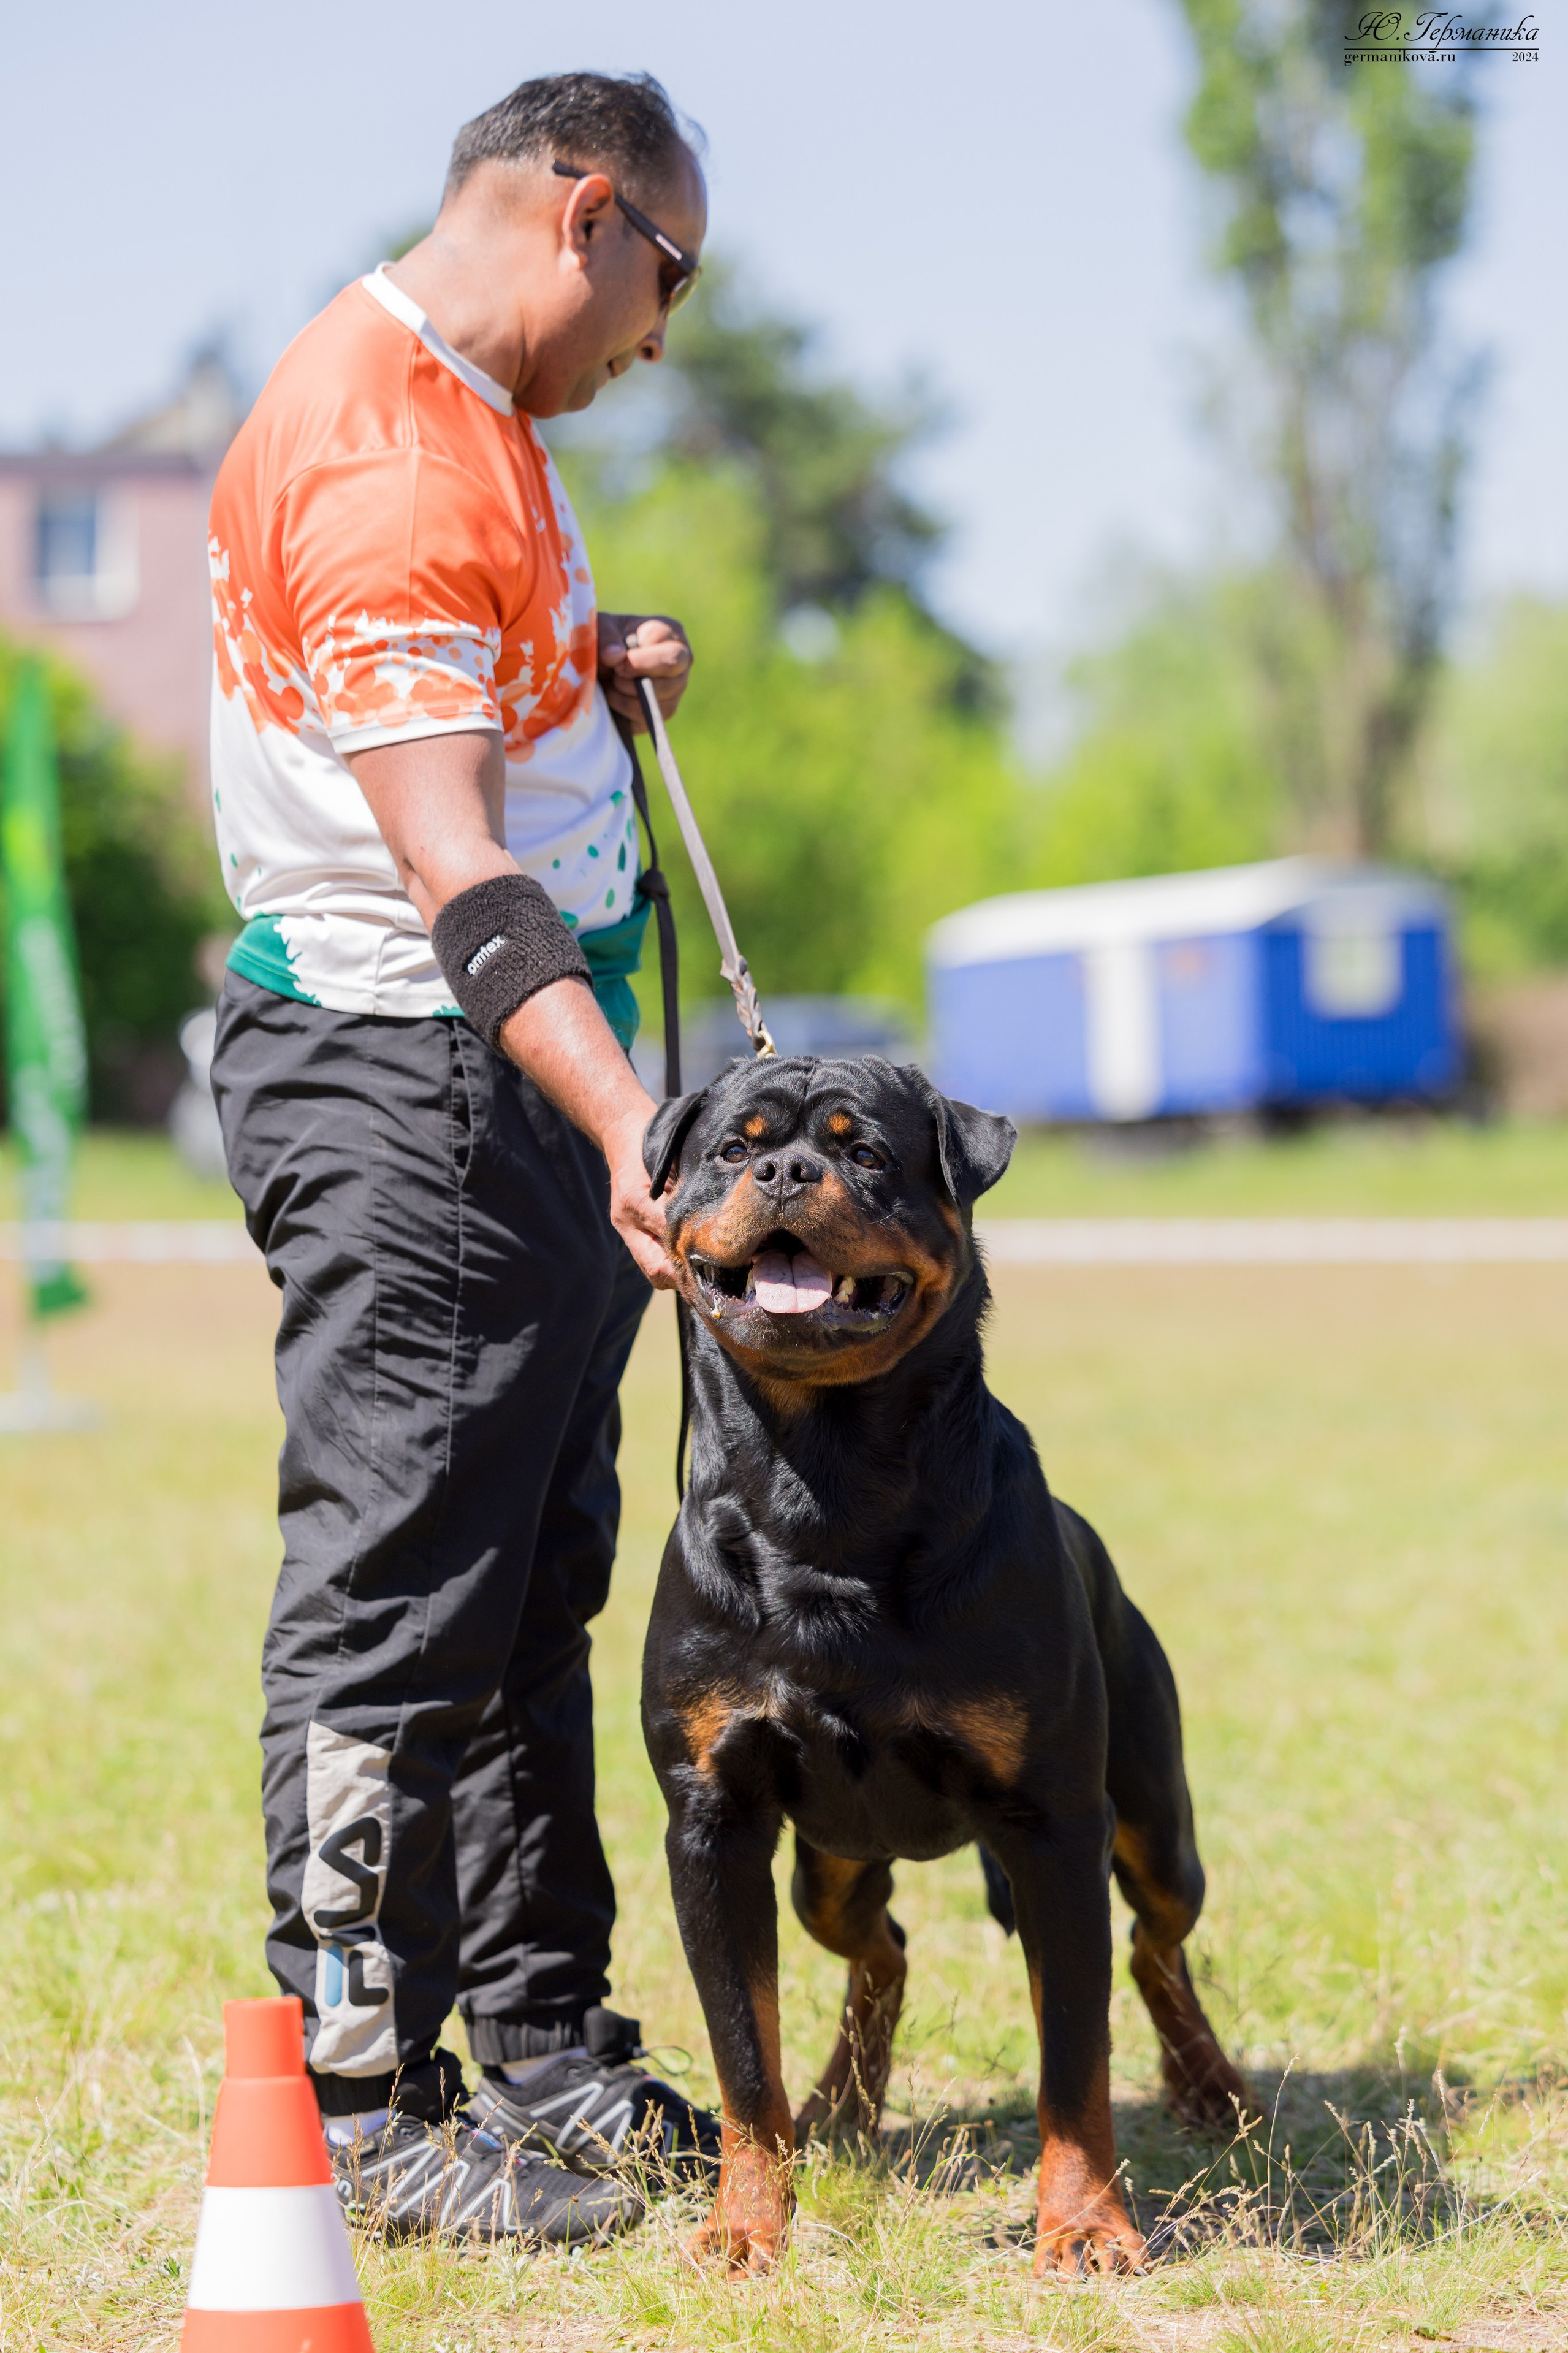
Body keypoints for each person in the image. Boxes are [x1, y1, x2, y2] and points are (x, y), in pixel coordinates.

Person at [207, 71, 717, 2244]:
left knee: (529, 1589)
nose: (661, 341)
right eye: (667, 282)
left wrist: (582, 672)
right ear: (587, 213)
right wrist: (628, 1125)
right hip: (421, 1083)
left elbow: (441, 715)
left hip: (492, 1087)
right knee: (399, 1604)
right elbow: (451, 871)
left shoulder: (479, 420)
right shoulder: (395, 451)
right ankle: (355, 2102)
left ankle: (539, 2043)